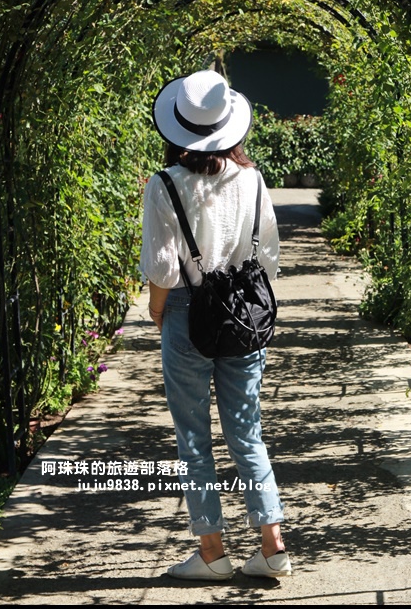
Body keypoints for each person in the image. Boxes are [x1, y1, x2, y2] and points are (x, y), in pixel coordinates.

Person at [139, 69, 292, 581]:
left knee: (193, 437)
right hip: (245, 313)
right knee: (247, 431)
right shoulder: (252, 179)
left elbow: (163, 271)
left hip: (186, 311)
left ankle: (212, 553)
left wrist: (157, 312)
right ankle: (273, 546)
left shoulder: (164, 185)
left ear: (177, 126)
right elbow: (268, 258)